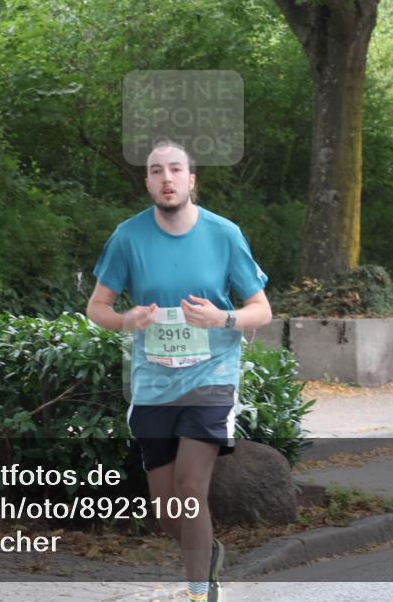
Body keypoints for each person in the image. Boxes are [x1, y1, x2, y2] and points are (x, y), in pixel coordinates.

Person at [86, 140, 272, 602]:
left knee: (191, 486)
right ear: (148, 182)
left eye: (175, 170)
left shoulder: (224, 234)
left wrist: (223, 319)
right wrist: (126, 320)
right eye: (156, 171)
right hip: (153, 382)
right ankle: (204, 553)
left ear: (192, 180)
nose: (166, 179)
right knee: (169, 512)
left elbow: (261, 309)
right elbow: (97, 308)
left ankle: (199, 591)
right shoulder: (128, 237)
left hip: (212, 375)